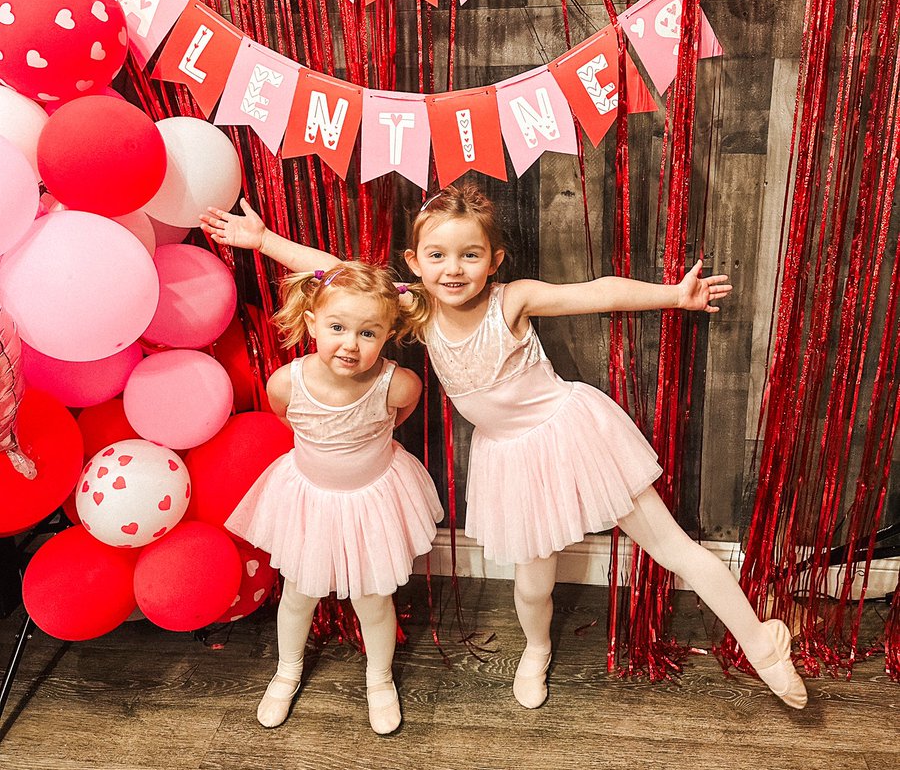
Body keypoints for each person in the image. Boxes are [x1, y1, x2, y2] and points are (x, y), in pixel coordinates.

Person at [203, 190, 807, 712]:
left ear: (493, 261)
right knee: (532, 586)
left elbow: (593, 293)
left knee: (673, 548)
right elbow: (339, 272)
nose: (453, 269)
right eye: (437, 256)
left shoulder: (511, 300)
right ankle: (536, 650)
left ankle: (762, 645)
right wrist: (263, 240)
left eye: (470, 255)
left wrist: (673, 296)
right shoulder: (417, 309)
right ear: (414, 263)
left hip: (571, 436)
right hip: (511, 462)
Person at [204, 232, 443, 735]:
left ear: (389, 333)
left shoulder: (396, 384)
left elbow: (398, 416)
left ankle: (379, 679)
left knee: (373, 599)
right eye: (337, 327)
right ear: (312, 322)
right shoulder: (287, 382)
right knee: (298, 593)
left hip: (371, 501)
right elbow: (287, 419)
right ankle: (286, 671)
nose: (350, 344)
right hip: (310, 501)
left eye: (368, 333)